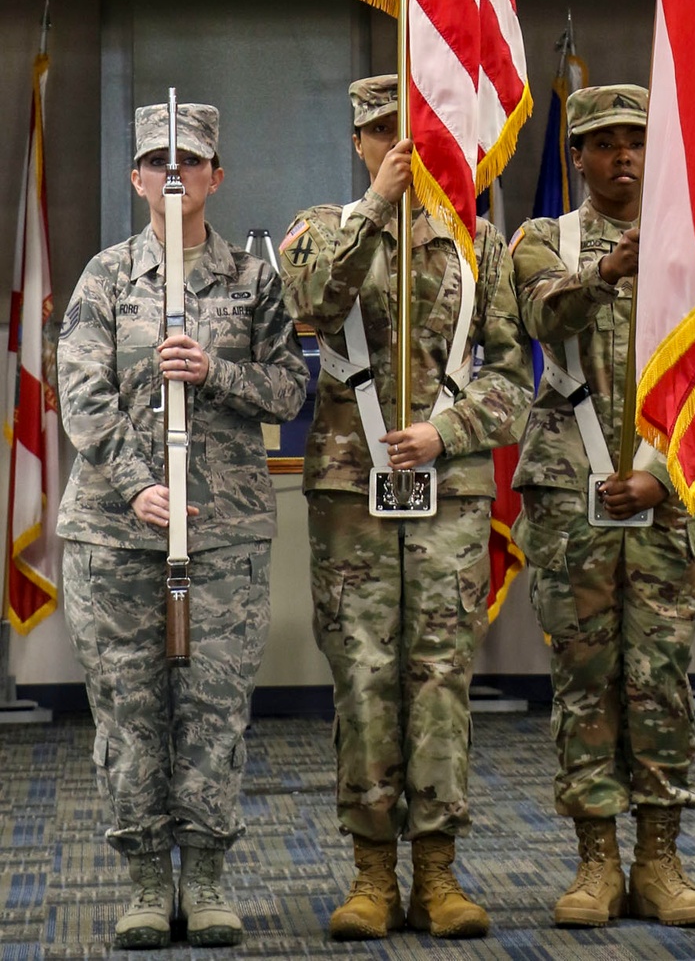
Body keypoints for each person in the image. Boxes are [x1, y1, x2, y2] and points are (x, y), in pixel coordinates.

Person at [279, 74, 532, 942]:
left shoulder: (480, 247)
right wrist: (374, 212)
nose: (399, 143)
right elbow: (311, 307)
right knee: (361, 677)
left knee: (439, 680)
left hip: (449, 496)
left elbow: (514, 381)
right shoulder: (318, 233)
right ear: (357, 142)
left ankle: (439, 873)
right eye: (381, 131)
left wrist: (451, 430)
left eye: (414, 127)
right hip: (353, 494)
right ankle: (370, 875)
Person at [57, 102, 308, 950]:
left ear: (216, 176)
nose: (174, 174)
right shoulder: (105, 279)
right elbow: (81, 400)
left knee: (212, 711)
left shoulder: (251, 279)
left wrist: (217, 372)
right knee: (129, 713)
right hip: (116, 534)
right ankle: (139, 882)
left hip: (224, 530)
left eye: (191, 161)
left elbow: (290, 390)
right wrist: (136, 487)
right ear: (135, 177)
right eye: (157, 160)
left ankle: (203, 877)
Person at [509, 84, 695, 929]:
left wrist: (666, 477)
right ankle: (597, 861)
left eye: (637, 141)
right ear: (578, 157)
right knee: (584, 682)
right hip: (572, 498)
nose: (623, 156)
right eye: (604, 143)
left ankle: (661, 860)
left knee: (661, 683)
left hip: (665, 505)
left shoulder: (694, 251)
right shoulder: (544, 239)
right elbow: (536, 313)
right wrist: (607, 270)